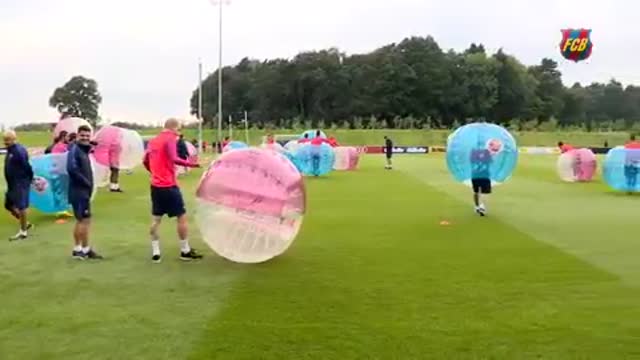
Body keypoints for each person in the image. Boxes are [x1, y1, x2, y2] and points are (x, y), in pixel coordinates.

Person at [143, 118, 202, 263]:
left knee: (156, 219)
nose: (179, 132)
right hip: (168, 185)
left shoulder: (153, 140)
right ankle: (185, 250)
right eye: (179, 129)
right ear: (174, 128)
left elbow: (145, 160)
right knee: (181, 217)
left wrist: (154, 172)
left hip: (156, 186)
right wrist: (192, 164)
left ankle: (156, 252)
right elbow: (174, 158)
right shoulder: (170, 138)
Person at [66, 126, 102, 259]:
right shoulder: (75, 150)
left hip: (81, 191)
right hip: (79, 191)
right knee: (84, 220)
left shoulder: (81, 149)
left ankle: (83, 249)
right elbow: (71, 169)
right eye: (82, 135)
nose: (85, 138)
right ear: (77, 136)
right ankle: (80, 250)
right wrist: (86, 183)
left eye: (88, 135)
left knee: (82, 220)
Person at [3, 131, 34, 241]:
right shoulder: (10, 150)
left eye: (8, 141)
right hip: (12, 183)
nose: (6, 143)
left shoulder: (18, 151)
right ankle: (26, 223)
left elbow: (26, 166)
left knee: (21, 206)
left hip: (20, 182)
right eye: (5, 141)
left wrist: (30, 178)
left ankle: (23, 232)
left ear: (14, 139)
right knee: (8, 205)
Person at [470, 142, 493, 216]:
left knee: (477, 191)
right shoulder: (485, 152)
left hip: (476, 175)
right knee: (482, 191)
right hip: (483, 174)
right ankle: (480, 206)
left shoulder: (474, 152)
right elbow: (490, 162)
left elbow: (471, 161)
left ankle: (478, 206)